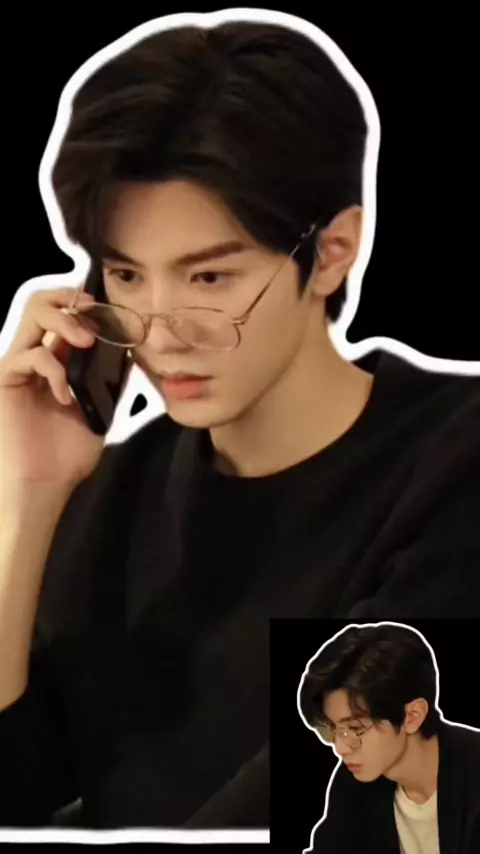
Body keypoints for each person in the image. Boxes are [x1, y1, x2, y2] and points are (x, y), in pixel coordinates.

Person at [0, 16, 479, 830]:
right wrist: (28, 490)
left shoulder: (456, 467)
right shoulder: (111, 493)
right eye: (125, 275)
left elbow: (321, 807)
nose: (158, 334)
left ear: (333, 252)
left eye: (210, 278)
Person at [298, 624, 480, 853]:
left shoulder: (473, 774)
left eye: (355, 728)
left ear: (412, 716)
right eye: (333, 729)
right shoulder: (353, 783)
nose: (340, 747)